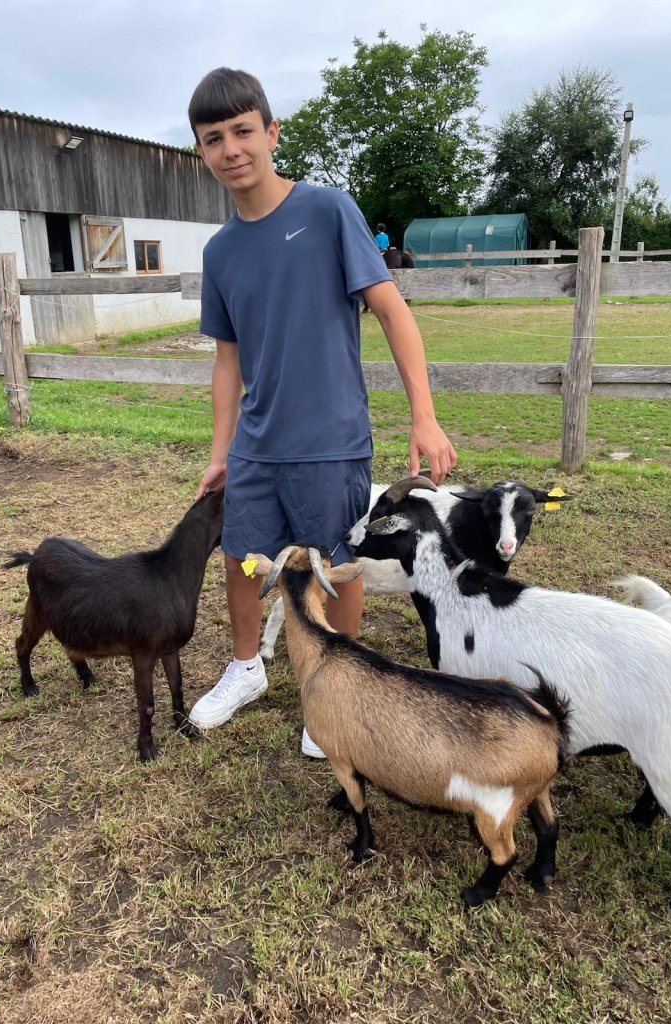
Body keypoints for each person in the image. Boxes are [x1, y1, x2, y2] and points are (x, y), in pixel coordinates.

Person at [185, 68, 457, 755]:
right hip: (256, 442)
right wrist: (220, 452)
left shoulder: (329, 211)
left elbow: (392, 312)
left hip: (331, 439)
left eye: (243, 131)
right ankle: (247, 667)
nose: (231, 149)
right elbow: (227, 362)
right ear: (202, 151)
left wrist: (423, 416)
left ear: (271, 133)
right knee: (242, 557)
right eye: (214, 138)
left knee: (335, 563)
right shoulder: (220, 252)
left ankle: (335, 688)